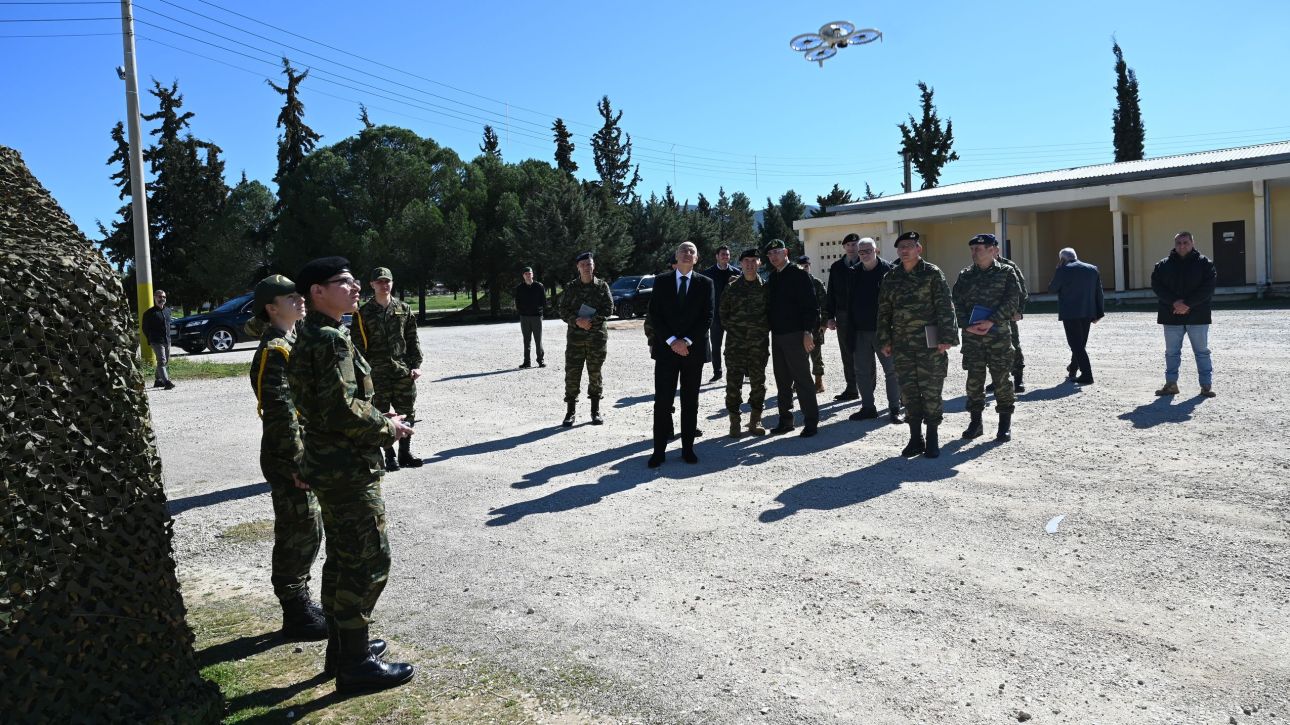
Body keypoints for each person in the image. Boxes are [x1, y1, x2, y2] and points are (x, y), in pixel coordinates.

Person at [286, 256, 415, 693]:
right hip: (347, 467)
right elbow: (341, 409)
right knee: (369, 559)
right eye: (344, 282)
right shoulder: (329, 340)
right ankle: (356, 664)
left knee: (343, 557)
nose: (356, 287)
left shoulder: (316, 334)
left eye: (355, 280)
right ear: (317, 292)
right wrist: (388, 428)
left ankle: (342, 649)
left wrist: (378, 415)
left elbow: (330, 404)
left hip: (331, 463)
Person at [248, 274, 327, 642]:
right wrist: (297, 462)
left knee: (309, 529)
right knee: (298, 531)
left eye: (299, 295)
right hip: (288, 457)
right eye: (290, 297)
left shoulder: (292, 341)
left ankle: (301, 600)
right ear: (271, 308)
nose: (300, 300)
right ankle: (295, 611)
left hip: (303, 452)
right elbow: (280, 412)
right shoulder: (275, 350)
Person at [877, 231, 959, 458]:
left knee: (931, 390)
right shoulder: (891, 277)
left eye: (909, 246)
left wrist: (946, 338)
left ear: (918, 249)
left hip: (929, 344)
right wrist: (884, 339)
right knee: (908, 392)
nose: (904, 250)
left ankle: (932, 437)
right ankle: (915, 438)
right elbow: (884, 310)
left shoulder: (932, 273)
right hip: (902, 344)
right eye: (901, 247)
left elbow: (945, 306)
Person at [646, 241, 714, 467]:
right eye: (683, 250)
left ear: (696, 258)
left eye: (691, 251)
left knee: (690, 401)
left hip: (693, 352)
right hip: (666, 351)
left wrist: (686, 341)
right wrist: (672, 341)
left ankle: (687, 449)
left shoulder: (706, 283)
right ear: (676, 256)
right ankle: (659, 451)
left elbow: (707, 317)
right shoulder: (662, 281)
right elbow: (655, 315)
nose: (687, 253)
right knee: (662, 402)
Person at [952, 234, 1022, 443]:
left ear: (992, 250)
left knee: (1001, 380)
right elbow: (956, 303)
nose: (974, 253)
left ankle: (1004, 425)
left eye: (979, 249)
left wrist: (991, 321)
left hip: (998, 335)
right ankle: (976, 423)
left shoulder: (1006, 272)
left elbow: (1013, 300)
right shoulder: (965, 275)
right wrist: (966, 325)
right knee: (974, 381)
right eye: (972, 249)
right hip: (972, 337)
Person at [355, 267, 423, 471]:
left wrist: (416, 365)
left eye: (387, 281)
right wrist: (362, 374)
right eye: (379, 281)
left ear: (392, 283)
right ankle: (389, 455)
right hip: (376, 373)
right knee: (381, 414)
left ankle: (405, 453)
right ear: (372, 285)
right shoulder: (363, 313)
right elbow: (357, 346)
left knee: (407, 412)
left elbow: (412, 339)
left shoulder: (404, 308)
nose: (384, 285)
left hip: (402, 371)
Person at [1150, 231, 1218, 397]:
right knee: (1171, 352)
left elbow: (1208, 288)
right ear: (1175, 245)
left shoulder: (1205, 264)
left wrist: (1187, 304)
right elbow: (1157, 287)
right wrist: (1175, 303)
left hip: (1198, 315)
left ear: (1192, 243)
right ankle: (1171, 384)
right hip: (1171, 314)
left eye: (1185, 242)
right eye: (1179, 243)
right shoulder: (1162, 265)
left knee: (1201, 352)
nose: (1182, 246)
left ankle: (1206, 386)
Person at [844, 237, 902, 424]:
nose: (864, 254)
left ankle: (895, 409)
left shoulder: (890, 271)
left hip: (884, 331)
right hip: (859, 330)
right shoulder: (853, 273)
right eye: (861, 252)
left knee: (891, 371)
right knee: (861, 371)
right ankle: (868, 407)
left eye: (868, 251)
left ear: (876, 251)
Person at [766, 240, 820, 437]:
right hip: (778, 335)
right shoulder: (773, 277)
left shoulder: (799, 274)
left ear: (786, 252)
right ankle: (786, 420)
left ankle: (811, 421)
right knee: (782, 380)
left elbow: (811, 306)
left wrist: (808, 332)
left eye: (777, 252)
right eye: (770, 254)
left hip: (796, 335)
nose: (774, 256)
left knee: (802, 379)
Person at [559, 251, 614, 426]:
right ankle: (570, 412)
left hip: (596, 338)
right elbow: (562, 310)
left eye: (589, 264)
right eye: (582, 265)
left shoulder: (602, 286)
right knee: (572, 374)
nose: (586, 268)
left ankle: (595, 411)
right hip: (575, 339)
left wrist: (590, 321)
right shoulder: (571, 287)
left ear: (593, 266)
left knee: (595, 374)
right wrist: (577, 321)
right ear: (578, 267)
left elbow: (609, 309)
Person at [720, 248, 770, 437]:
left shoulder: (765, 288)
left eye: (753, 260)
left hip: (758, 345)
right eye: (746, 261)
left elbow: (771, 314)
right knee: (733, 384)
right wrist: (736, 331)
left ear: (759, 263)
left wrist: (760, 331)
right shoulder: (732, 288)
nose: (750, 264)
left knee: (758, 383)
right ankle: (734, 421)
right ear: (741, 264)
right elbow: (722, 313)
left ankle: (755, 420)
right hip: (736, 345)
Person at [1048, 247, 1105, 384]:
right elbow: (1099, 292)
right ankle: (1073, 368)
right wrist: (1099, 313)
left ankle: (1087, 375)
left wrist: (1058, 270)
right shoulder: (1092, 269)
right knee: (1080, 343)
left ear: (1062, 259)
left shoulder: (1063, 270)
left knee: (1076, 344)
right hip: (1088, 312)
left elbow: (1052, 288)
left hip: (1070, 313)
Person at [824, 233, 864, 401]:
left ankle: (867, 390)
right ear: (844, 247)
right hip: (843, 315)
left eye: (855, 244)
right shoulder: (837, 267)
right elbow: (831, 293)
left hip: (863, 315)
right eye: (848, 245)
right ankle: (852, 388)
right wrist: (829, 316)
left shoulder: (866, 264)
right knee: (847, 353)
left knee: (865, 353)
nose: (851, 248)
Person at [988, 244, 1029, 393]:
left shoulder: (1009, 266)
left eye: (991, 249)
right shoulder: (981, 267)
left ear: (997, 250)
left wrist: (1019, 311)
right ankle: (996, 379)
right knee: (991, 347)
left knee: (1013, 346)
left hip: (1007, 315)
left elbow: (1021, 291)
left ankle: (1018, 379)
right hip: (989, 315)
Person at [702, 244, 741, 382]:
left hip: (733, 316)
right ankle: (717, 372)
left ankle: (743, 371)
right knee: (716, 345)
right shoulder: (708, 273)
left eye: (727, 254)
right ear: (717, 256)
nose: (725, 256)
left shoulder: (737, 273)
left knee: (738, 344)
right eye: (723, 254)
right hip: (716, 316)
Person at [798, 255, 828, 394]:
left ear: (809, 267)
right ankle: (800, 382)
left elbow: (825, 304)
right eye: (801, 267)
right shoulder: (794, 283)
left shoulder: (816, 283)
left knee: (816, 355)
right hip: (798, 326)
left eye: (806, 266)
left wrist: (824, 323)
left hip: (815, 325)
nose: (804, 269)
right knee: (799, 356)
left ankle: (818, 382)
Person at [142, 289, 175, 390]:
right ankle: (167, 382)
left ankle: (158, 381)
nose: (162, 299)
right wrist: (150, 339)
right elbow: (145, 328)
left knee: (165, 361)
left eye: (164, 297)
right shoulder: (149, 313)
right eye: (160, 297)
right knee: (161, 361)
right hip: (156, 341)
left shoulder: (168, 311)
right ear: (155, 298)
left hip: (167, 340)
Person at [515, 266, 546, 368]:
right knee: (526, 340)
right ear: (523, 276)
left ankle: (540, 361)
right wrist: (522, 312)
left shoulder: (539, 286)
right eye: (526, 274)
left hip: (537, 317)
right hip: (524, 317)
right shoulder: (519, 288)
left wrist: (539, 312)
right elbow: (517, 302)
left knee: (538, 340)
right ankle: (527, 362)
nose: (528, 275)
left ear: (532, 274)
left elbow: (543, 301)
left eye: (530, 273)